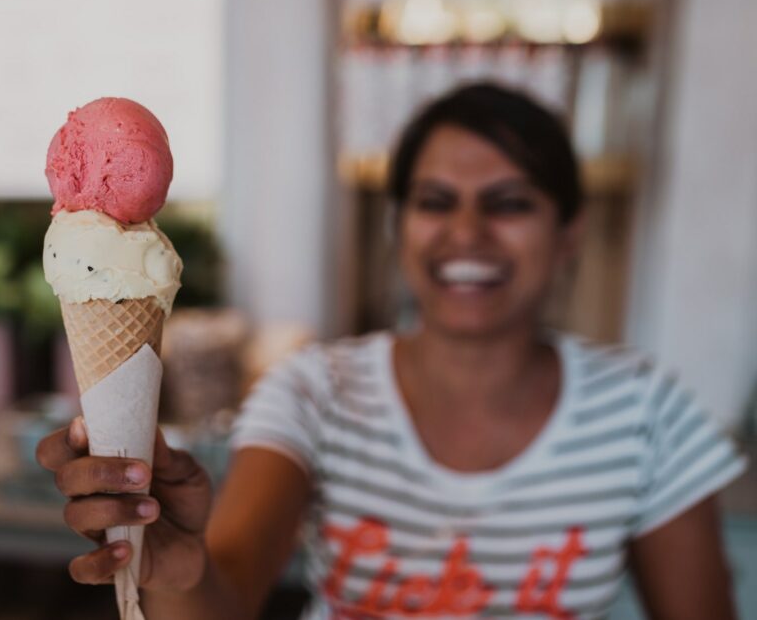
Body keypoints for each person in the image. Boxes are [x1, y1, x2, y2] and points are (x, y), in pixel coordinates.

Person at [37, 83, 747, 619]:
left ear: (568, 233)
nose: (466, 232)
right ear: (399, 225)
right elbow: (223, 593)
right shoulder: (313, 392)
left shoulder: (647, 412)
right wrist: (179, 565)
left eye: (509, 202)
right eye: (435, 201)